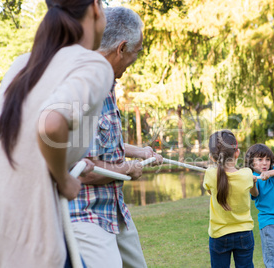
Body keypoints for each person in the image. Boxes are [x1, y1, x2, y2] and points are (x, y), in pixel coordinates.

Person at [0, 1, 113, 267]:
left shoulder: (24, 63)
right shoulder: (93, 65)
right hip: (22, 213)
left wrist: (69, 163)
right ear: (95, 8)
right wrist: (64, 180)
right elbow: (50, 123)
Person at [68, 7, 163, 268]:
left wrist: (139, 152)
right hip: (85, 213)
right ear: (121, 48)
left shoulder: (108, 83)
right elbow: (82, 169)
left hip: (114, 208)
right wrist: (127, 169)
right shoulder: (83, 86)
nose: (136, 59)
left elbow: (104, 143)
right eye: (136, 52)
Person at [203, 130, 255, 268]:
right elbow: (254, 192)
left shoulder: (210, 174)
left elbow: (210, 190)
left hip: (219, 234)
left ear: (211, 157)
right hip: (244, 233)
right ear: (237, 153)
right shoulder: (247, 174)